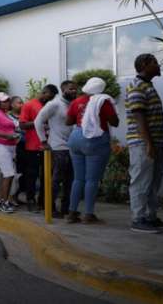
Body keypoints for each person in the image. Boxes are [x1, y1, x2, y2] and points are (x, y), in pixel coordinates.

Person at [65, 77, 119, 224]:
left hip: (76, 138)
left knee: (78, 178)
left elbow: (68, 121)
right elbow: (115, 122)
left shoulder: (76, 101)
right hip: (95, 140)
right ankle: (88, 214)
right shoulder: (103, 101)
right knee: (92, 180)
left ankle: (72, 213)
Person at [125, 53, 163, 233]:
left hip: (154, 142)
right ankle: (138, 219)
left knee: (153, 182)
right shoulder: (136, 86)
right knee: (141, 181)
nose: (159, 66)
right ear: (144, 64)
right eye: (155, 63)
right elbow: (138, 116)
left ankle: (150, 217)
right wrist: (148, 143)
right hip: (142, 143)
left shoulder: (147, 85)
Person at [35, 81, 78, 218]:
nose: (74, 91)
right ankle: (50, 208)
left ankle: (66, 209)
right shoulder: (54, 104)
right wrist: (43, 141)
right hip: (58, 147)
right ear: (63, 89)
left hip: (72, 147)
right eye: (71, 89)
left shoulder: (72, 104)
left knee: (70, 180)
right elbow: (38, 121)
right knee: (56, 180)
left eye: (75, 89)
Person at [19, 85, 58, 212]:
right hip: (33, 146)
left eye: (52, 98)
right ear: (44, 92)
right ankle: (31, 200)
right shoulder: (29, 105)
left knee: (47, 176)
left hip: (49, 146)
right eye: (49, 96)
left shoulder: (50, 106)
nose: (49, 99)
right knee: (32, 175)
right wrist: (39, 123)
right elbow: (22, 125)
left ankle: (44, 201)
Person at [0, 92, 20, 214]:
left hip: (10, 147)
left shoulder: (5, 114)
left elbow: (11, 128)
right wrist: (6, 136)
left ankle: (1, 201)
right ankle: (4, 203)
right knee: (9, 174)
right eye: (4, 101)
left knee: (6, 175)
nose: (7, 102)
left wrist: (15, 135)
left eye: (8, 100)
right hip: (0, 147)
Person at [9, 95, 26, 206]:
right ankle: (11, 197)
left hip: (26, 148)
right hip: (15, 148)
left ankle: (17, 195)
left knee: (23, 174)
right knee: (15, 173)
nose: (21, 105)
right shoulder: (8, 117)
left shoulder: (25, 116)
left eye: (22, 102)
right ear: (12, 105)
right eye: (19, 103)